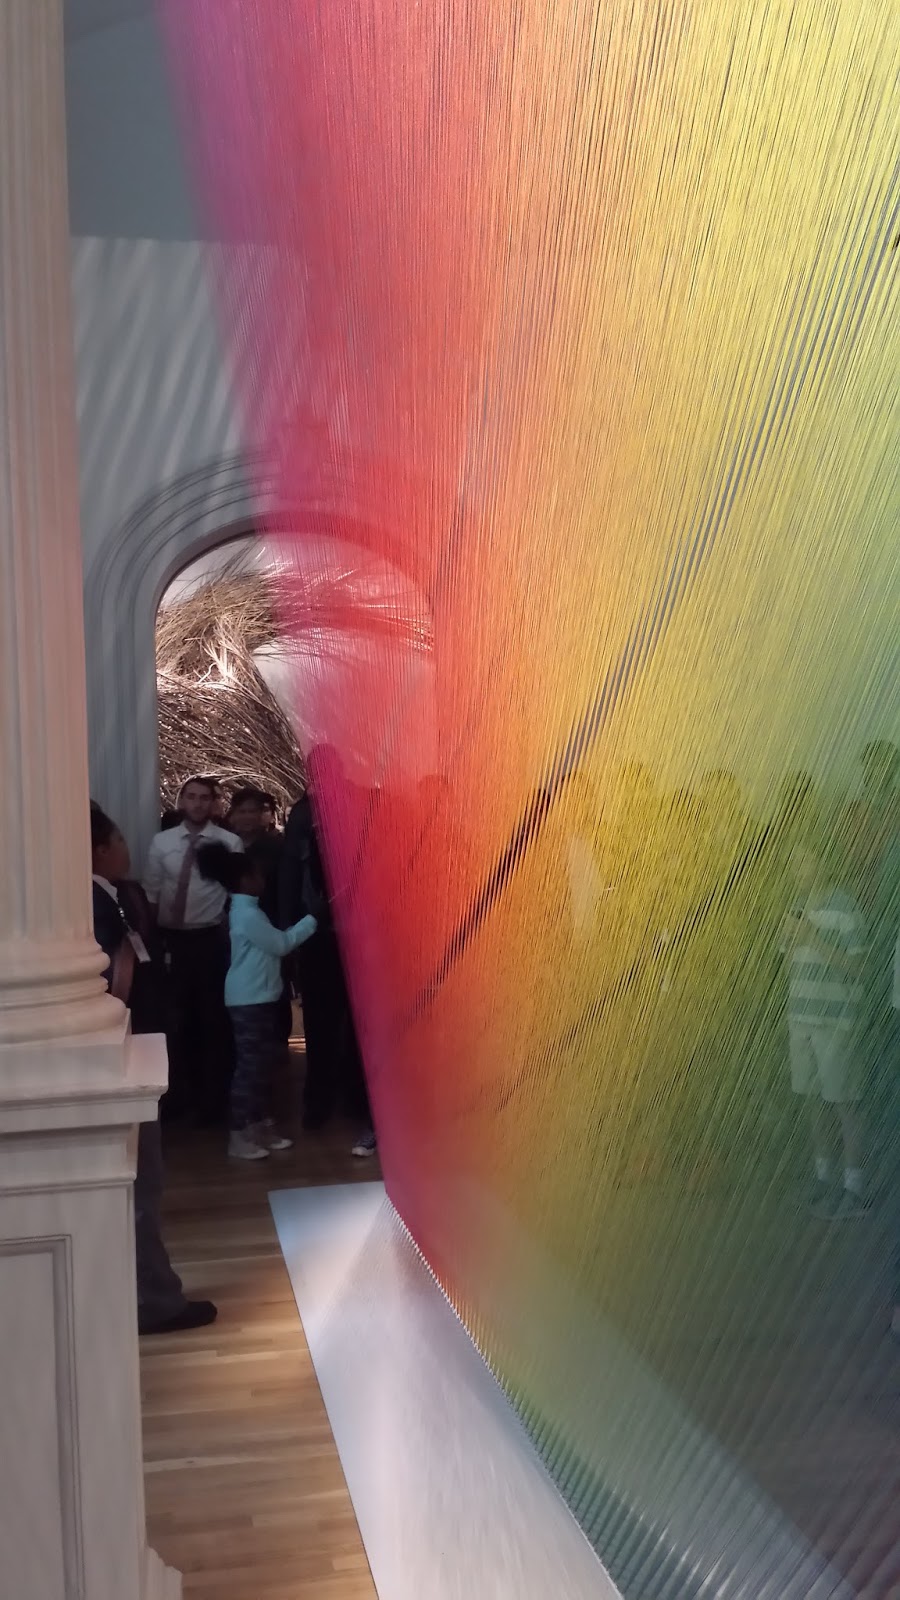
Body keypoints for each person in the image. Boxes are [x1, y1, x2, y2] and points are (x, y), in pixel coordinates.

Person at [91, 803, 217, 1335]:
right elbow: (115, 979)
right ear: (99, 849)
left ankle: (147, 1294)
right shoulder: (95, 903)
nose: (127, 847)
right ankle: (155, 1302)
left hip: (130, 1046)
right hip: (122, 1051)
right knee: (141, 1183)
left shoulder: (112, 895)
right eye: (119, 839)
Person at [196, 842, 317, 1160]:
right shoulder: (247, 914)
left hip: (257, 997)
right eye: (259, 875)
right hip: (249, 1000)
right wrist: (312, 920)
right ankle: (239, 1136)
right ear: (246, 880)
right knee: (250, 1069)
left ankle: (259, 1128)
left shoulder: (247, 911)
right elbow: (281, 944)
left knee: (261, 1066)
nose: (264, 880)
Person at [280, 770, 376, 1156]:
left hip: (358, 932)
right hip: (317, 933)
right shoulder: (304, 815)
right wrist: (290, 930)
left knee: (357, 1023)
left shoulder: (358, 808)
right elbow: (291, 873)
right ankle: (320, 1101)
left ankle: (351, 1097)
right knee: (321, 1021)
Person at [143, 776, 243, 1123]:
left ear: (214, 803)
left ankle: (212, 1104)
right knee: (175, 1021)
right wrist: (151, 941)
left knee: (212, 1021)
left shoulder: (229, 843)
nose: (198, 804)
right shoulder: (162, 842)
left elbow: (236, 894)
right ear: (182, 800)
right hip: (171, 940)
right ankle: (175, 1101)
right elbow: (152, 892)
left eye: (204, 798)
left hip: (210, 940)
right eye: (191, 797)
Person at [780, 837, 868, 1218]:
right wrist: (792, 939)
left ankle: (854, 1188)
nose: (797, 869)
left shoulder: (844, 907)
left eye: (804, 860)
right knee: (812, 1101)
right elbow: (789, 966)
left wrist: (812, 939)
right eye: (793, 863)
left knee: (844, 1102)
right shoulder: (795, 908)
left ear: (821, 862)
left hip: (835, 1021)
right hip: (801, 1018)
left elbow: (859, 967)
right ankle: (823, 1177)